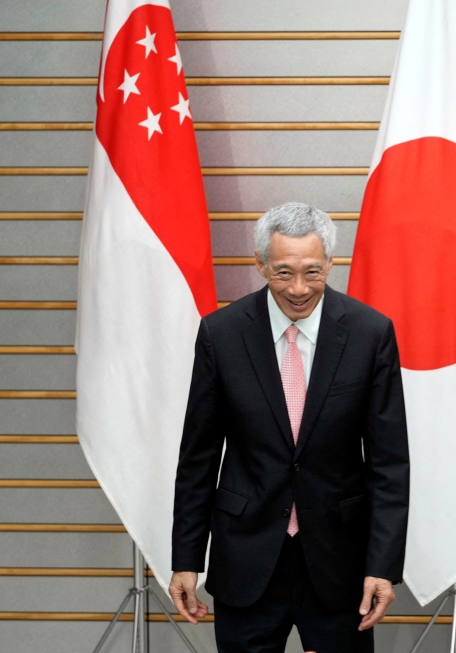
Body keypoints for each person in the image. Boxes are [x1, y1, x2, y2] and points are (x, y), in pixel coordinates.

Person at [169, 202, 410, 653]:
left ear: (330, 263)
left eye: (312, 272)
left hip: (339, 562)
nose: (299, 289)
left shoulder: (370, 333)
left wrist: (382, 566)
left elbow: (389, 464)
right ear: (260, 264)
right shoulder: (221, 334)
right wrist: (186, 558)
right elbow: (198, 458)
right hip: (246, 556)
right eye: (283, 273)